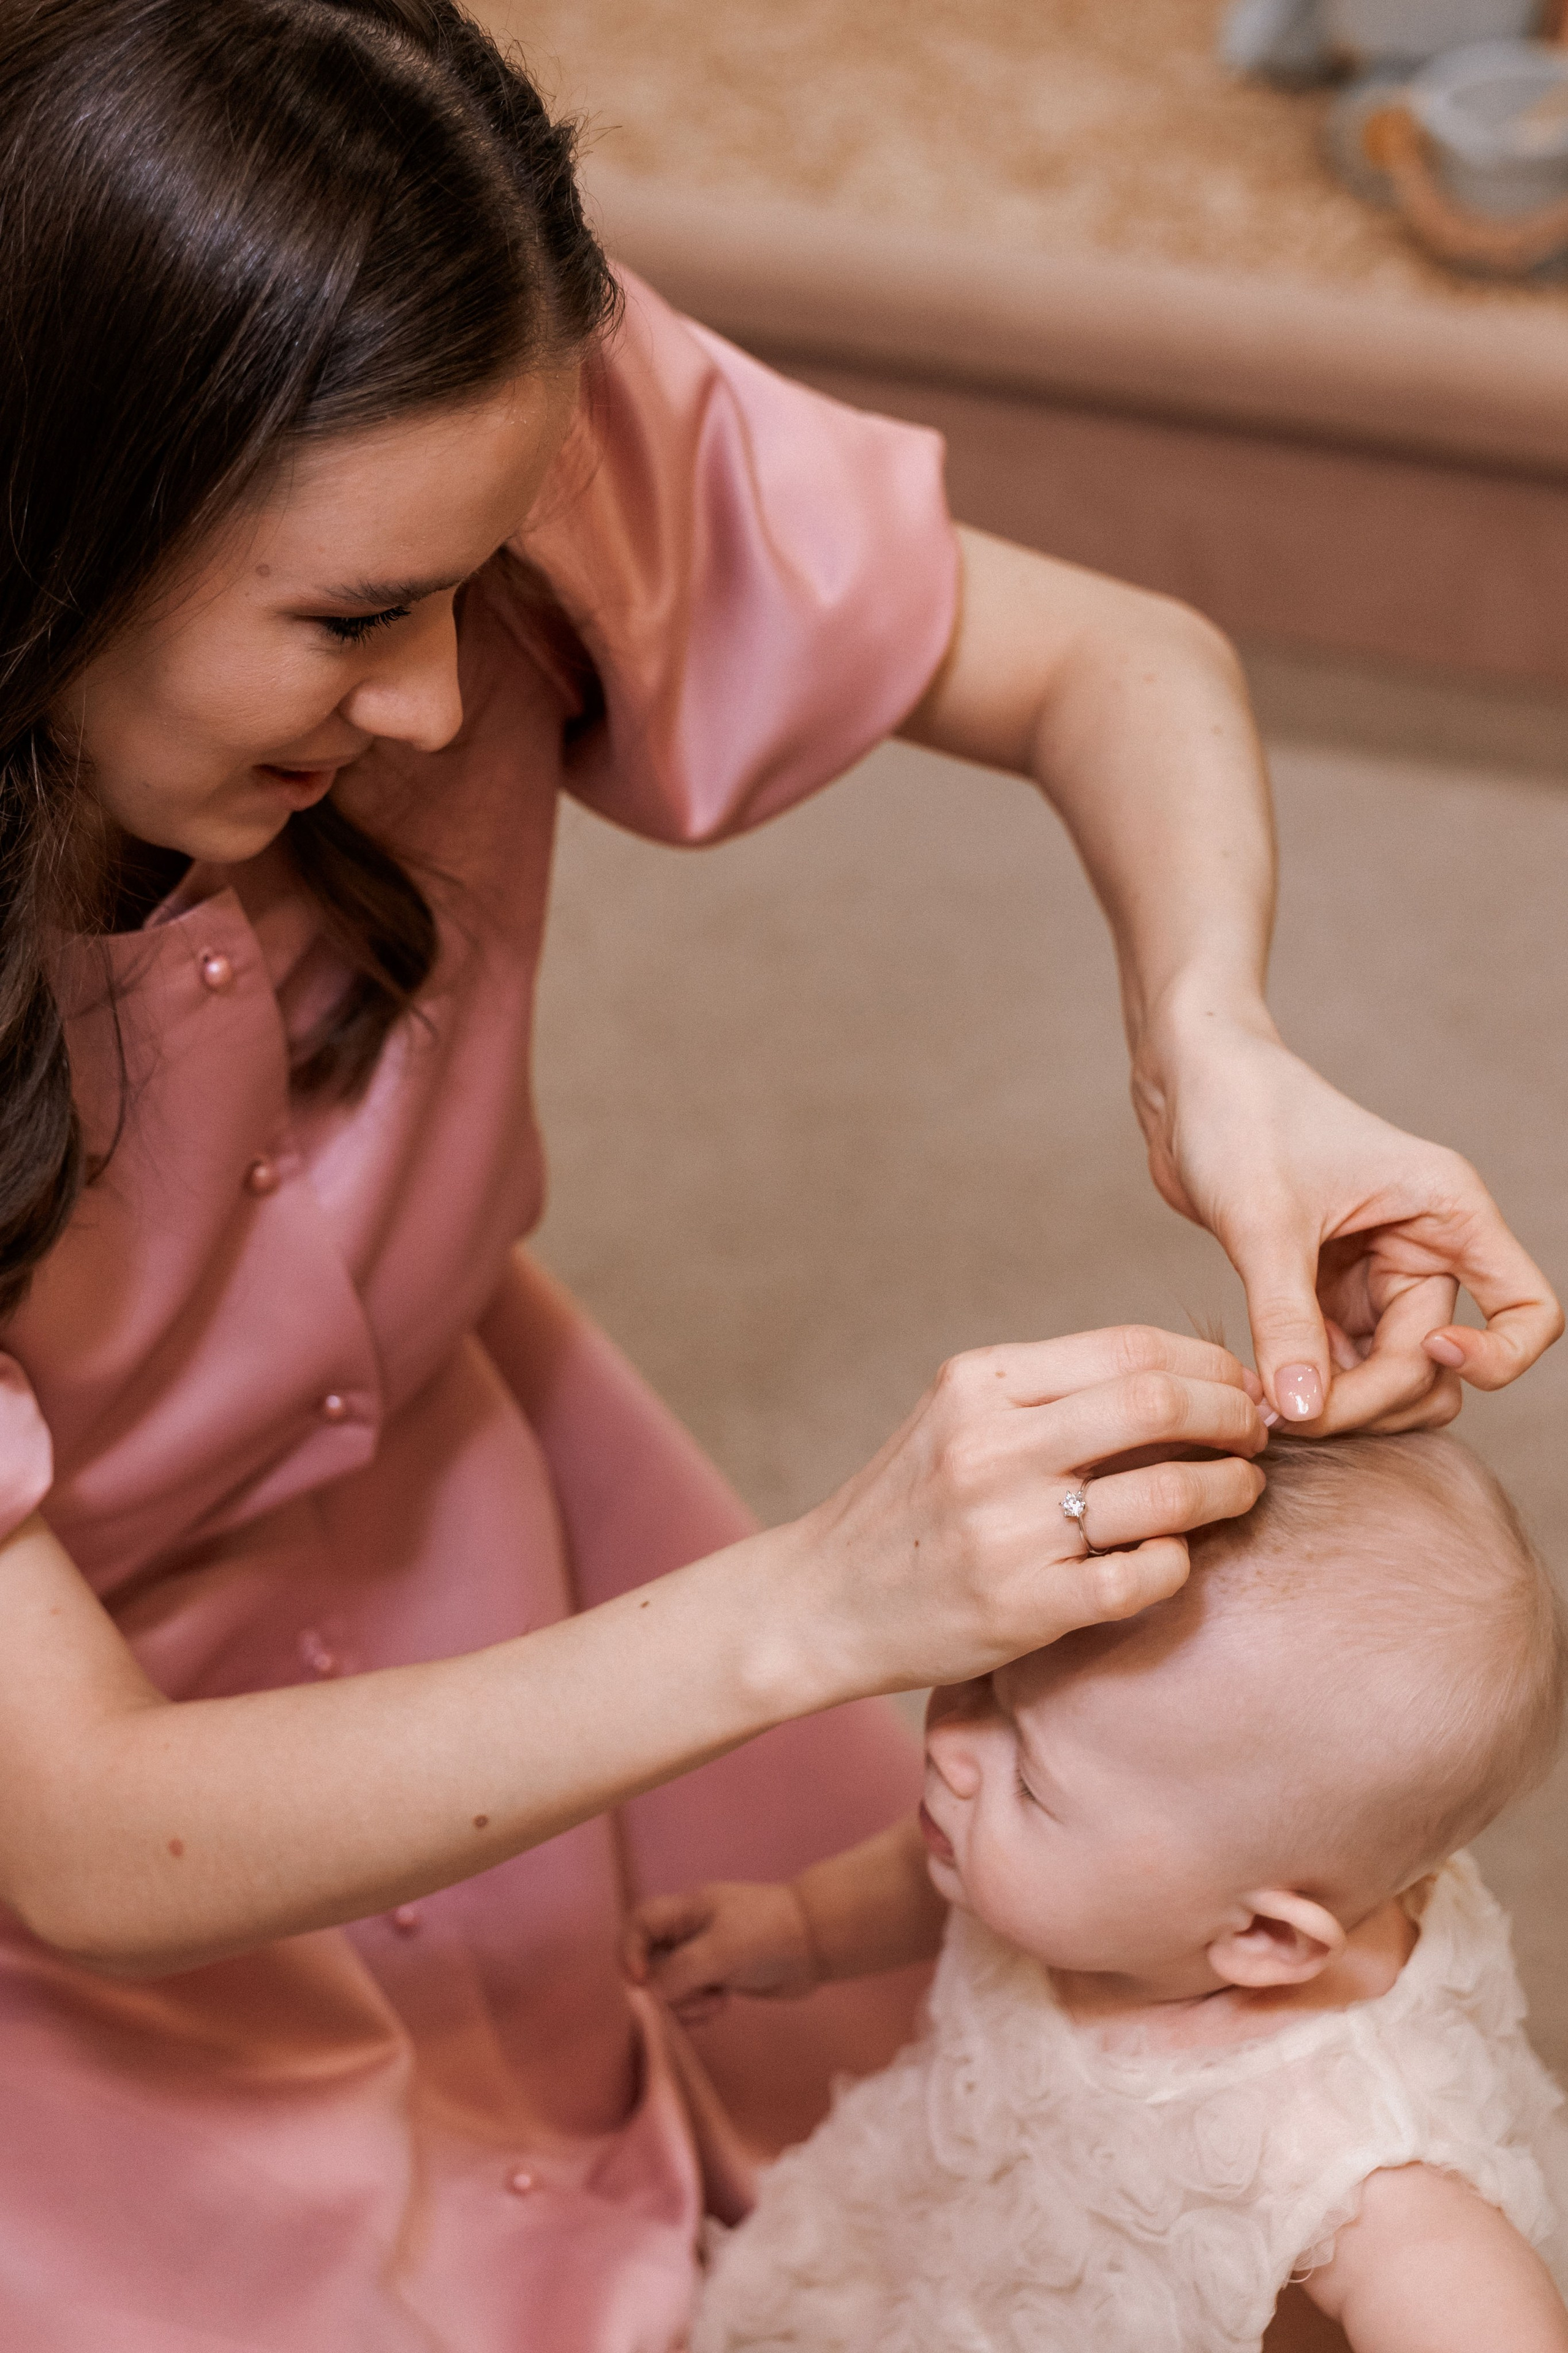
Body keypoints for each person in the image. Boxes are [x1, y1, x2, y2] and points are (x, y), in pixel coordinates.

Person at [0, 1, 1558, 2344]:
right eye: (344, 621)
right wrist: (827, 1605)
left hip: (461, 1494)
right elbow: (90, 1839)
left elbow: (1111, 660)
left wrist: (1213, 1045)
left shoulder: (480, 408)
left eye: (477, 582)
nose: (437, 702)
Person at [631, 1433, 1568, 2353]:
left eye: (1031, 1782)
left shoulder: (1335, 2147)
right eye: (989, 1678)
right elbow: (945, 1876)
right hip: (968, 2245)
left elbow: (1471, 2306)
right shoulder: (1112, 1870)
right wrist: (799, 1928)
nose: (951, 1750)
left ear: (1265, 1940)